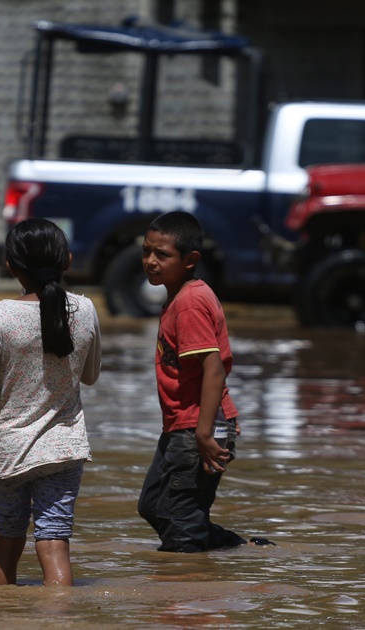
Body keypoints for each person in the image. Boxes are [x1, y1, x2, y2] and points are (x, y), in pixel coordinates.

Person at [0, 218, 102, 587]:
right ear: (68, 261)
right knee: (54, 543)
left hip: (10, 449)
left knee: (6, 544)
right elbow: (89, 375)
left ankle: (1, 619)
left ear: (10, 267)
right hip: (64, 448)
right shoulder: (85, 311)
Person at [136, 211, 272, 552]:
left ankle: (188, 595)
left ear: (190, 260)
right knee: (154, 507)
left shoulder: (190, 303)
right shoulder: (180, 296)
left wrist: (204, 432)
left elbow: (214, 369)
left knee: (181, 525)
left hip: (199, 424)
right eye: (146, 251)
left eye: (162, 255)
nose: (151, 261)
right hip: (183, 424)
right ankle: (241, 548)